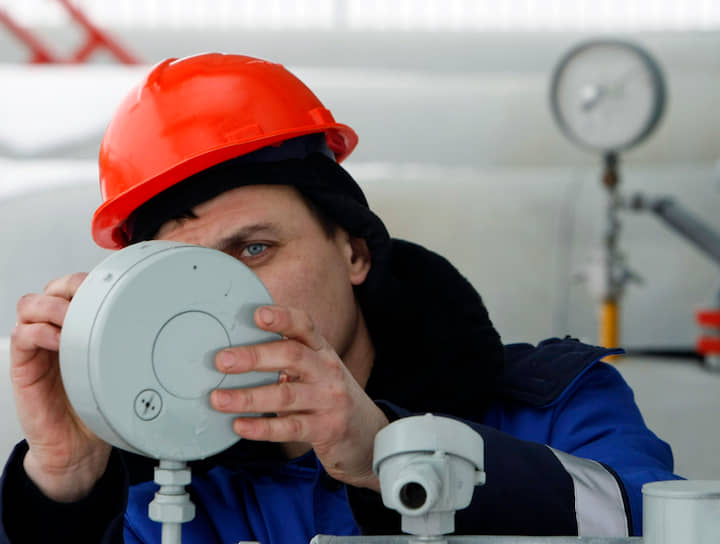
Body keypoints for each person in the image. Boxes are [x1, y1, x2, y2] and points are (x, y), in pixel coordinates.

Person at [1, 53, 679, 544]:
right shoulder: (152, 490)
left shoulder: (555, 407)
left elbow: (655, 523)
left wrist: (394, 454)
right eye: (187, 270)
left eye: (254, 249)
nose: (219, 300)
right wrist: (62, 488)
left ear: (353, 252)